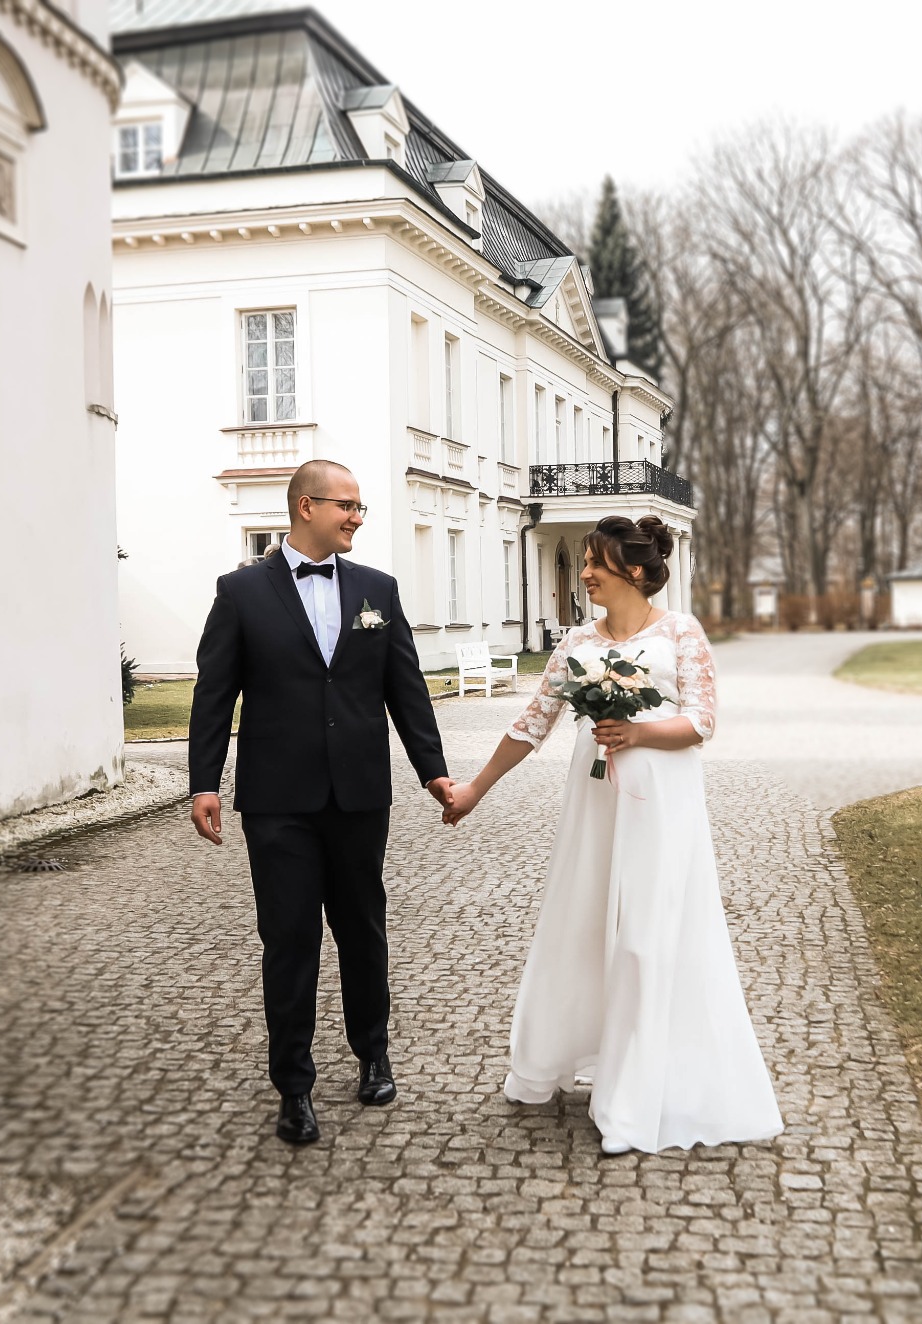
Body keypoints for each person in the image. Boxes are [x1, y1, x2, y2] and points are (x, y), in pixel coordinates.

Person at [441, 515, 783, 1155]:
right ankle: (566, 1050)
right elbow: (532, 723)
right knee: (582, 920)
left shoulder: (681, 631)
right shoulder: (575, 642)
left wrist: (639, 732)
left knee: (645, 935)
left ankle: (634, 1092)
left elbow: (702, 722)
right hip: (593, 801)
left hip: (660, 800)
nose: (586, 573)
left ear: (630, 569)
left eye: (595, 562)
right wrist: (474, 789)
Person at [188, 459, 452, 1145]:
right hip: (279, 799)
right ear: (306, 506)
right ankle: (294, 1086)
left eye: (360, 508)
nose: (357, 517)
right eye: (348, 505)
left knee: (364, 929)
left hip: (361, 794)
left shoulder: (377, 591)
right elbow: (215, 692)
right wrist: (204, 781)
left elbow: (407, 689)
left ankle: (373, 1053)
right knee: (290, 939)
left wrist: (434, 772)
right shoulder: (241, 592)